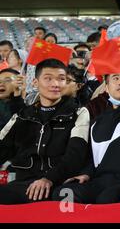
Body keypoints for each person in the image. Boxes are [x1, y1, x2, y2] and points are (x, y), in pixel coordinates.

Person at [53, 72, 120, 204]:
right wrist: (86, 173)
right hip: (102, 180)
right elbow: (95, 157)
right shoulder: (97, 121)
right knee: (64, 193)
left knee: (106, 198)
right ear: (106, 87)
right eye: (115, 78)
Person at [0, 59, 90, 204]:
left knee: (63, 196)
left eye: (61, 79)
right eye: (48, 79)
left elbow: (75, 154)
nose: (55, 84)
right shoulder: (22, 115)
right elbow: (3, 148)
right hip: (24, 182)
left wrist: (49, 178)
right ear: (35, 83)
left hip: (60, 183)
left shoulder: (79, 112)